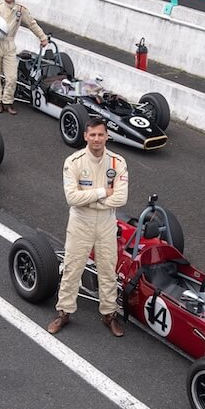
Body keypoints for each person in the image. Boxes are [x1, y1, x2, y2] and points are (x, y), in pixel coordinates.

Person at [48, 118, 128, 337]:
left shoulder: (117, 162)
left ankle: (109, 314)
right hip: (80, 222)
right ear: (85, 136)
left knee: (108, 271)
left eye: (100, 135)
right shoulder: (73, 161)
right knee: (72, 268)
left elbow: (121, 197)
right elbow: (72, 197)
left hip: (106, 223)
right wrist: (102, 193)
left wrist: (89, 199)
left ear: (107, 136)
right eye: (92, 135)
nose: (96, 139)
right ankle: (64, 312)